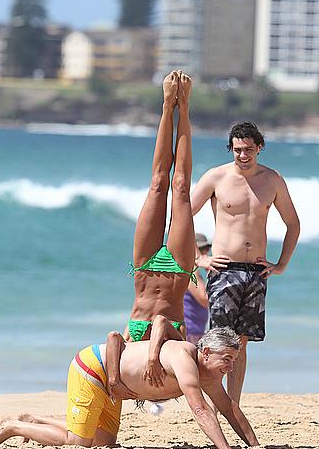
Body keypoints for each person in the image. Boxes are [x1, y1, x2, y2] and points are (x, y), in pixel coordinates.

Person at [0, 327, 259, 449]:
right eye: (227, 359)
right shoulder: (184, 358)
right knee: (77, 443)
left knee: (103, 443)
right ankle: (12, 427)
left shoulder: (209, 374)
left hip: (115, 385)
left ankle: (33, 421)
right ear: (207, 352)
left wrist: (255, 446)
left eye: (233, 360)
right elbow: (199, 409)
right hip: (94, 368)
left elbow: (228, 409)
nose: (230, 366)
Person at [191, 121, 300, 404]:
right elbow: (181, 216)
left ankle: (233, 405)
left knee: (241, 343)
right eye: (237, 150)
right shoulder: (216, 177)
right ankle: (213, 403)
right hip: (224, 269)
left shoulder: (272, 179)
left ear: (259, 147)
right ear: (231, 149)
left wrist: (282, 264)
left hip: (256, 272)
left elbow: (293, 224)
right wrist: (198, 257)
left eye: (248, 149)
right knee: (217, 341)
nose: (242, 155)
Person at [120, 70, 197, 384]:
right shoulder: (178, 347)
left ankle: (168, 106)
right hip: (178, 269)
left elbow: (116, 342)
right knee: (179, 186)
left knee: (157, 185)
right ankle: (182, 107)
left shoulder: (133, 348)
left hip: (144, 269)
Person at [184, 233, 211, 345]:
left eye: (206, 249)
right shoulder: (191, 271)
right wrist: (211, 274)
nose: (204, 253)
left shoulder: (192, 271)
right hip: (190, 331)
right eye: (201, 250)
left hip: (195, 329)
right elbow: (205, 299)